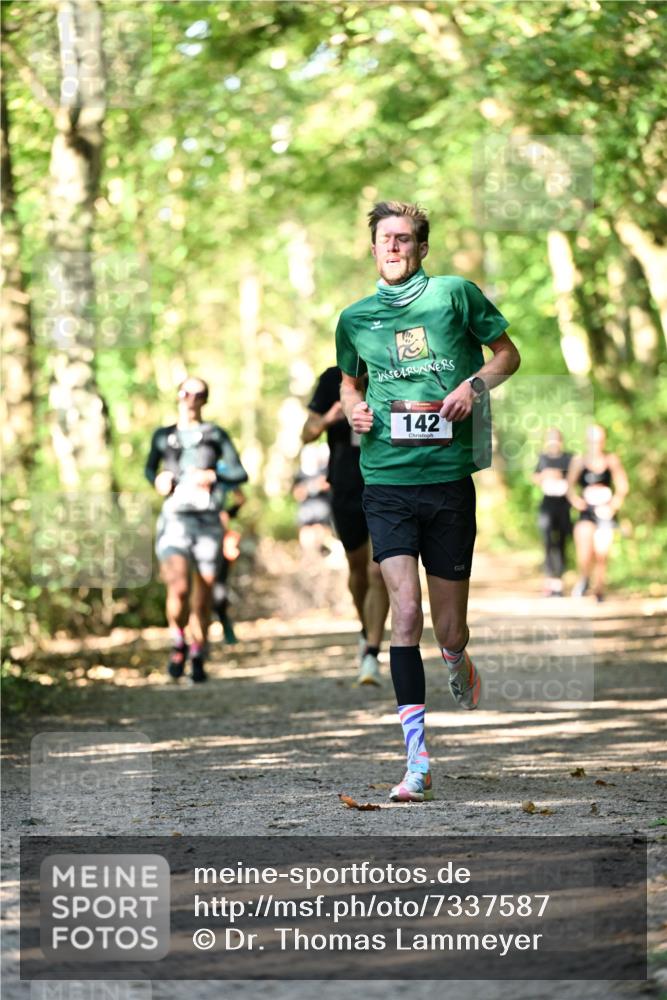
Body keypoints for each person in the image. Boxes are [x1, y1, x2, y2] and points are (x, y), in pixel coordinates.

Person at [335, 200, 520, 802]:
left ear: (421, 248)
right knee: (405, 615)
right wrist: (355, 409)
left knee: (448, 627)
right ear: (372, 248)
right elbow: (349, 380)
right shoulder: (355, 318)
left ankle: (457, 657)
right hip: (385, 480)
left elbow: (507, 356)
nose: (395, 248)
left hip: (446, 482)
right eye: (386, 239)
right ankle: (417, 760)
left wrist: (473, 386)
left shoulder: (454, 295)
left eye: (406, 239)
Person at [145, 376, 248, 682]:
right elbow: (150, 468)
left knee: (202, 597)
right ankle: (178, 640)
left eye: (198, 393)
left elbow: (240, 473)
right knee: (178, 588)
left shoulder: (215, 434)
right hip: (175, 519)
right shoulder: (163, 436)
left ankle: (198, 651)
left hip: (208, 522)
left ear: (205, 399)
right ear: (177, 395)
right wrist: (157, 480)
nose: (191, 397)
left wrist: (215, 474)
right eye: (186, 391)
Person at [302, 366, 390, 685]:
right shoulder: (331, 379)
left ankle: (371, 653)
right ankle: (366, 630)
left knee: (378, 570)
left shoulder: (392, 371)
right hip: (346, 483)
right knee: (357, 569)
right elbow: (306, 433)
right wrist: (330, 418)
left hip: (388, 481)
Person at [567, 424, 628, 602]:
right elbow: (569, 486)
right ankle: (584, 578)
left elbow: (623, 486)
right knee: (585, 552)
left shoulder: (611, 460)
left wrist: (614, 505)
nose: (596, 443)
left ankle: (599, 588)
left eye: (599, 440)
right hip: (586, 512)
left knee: (602, 552)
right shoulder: (579, 460)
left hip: (605, 513)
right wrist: (576, 501)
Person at [533, 428, 573, 596]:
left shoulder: (569, 458)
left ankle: (559, 583)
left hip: (564, 504)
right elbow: (535, 477)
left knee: (562, 542)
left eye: (556, 439)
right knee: (548, 542)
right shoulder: (543, 458)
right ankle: (549, 582)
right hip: (547, 503)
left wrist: (559, 475)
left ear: (561, 441)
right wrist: (545, 475)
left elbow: (575, 477)